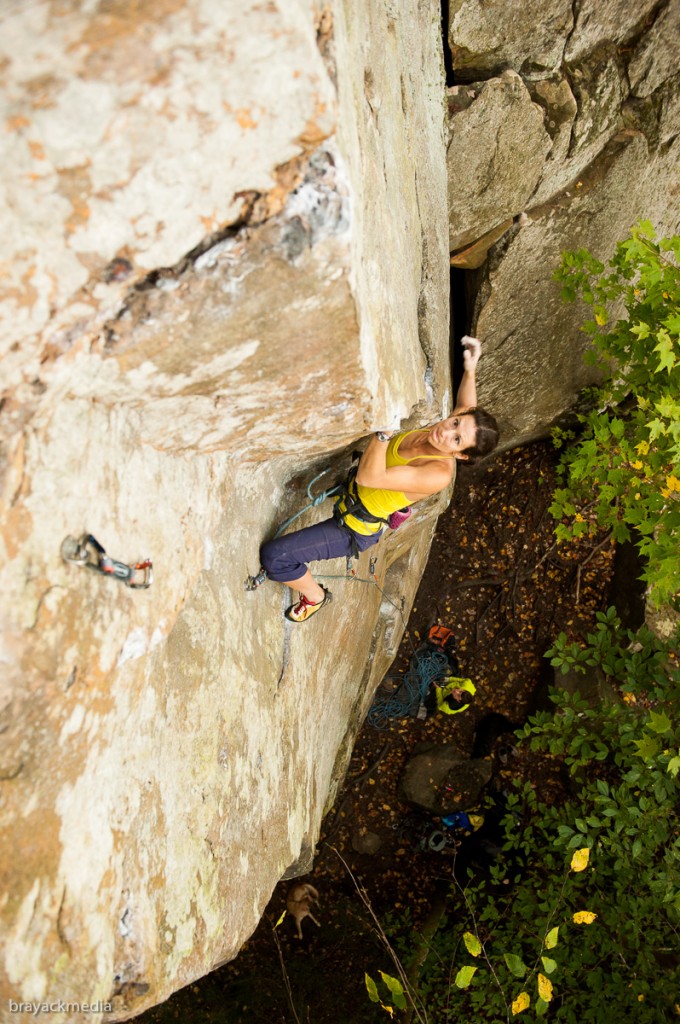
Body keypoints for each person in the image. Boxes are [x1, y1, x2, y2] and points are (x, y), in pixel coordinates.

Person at [260, 337, 499, 622]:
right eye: (455, 422)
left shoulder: (437, 474)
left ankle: (316, 597)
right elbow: (466, 405)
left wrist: (384, 433)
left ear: (461, 456)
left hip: (355, 529)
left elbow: (369, 476)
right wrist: (470, 368)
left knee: (276, 557)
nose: (446, 431)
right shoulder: (455, 426)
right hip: (352, 496)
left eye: (457, 439)